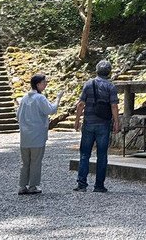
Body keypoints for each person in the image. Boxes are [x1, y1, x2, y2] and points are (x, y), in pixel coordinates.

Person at [73, 59, 120, 192]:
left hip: (88, 123)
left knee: (84, 154)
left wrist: (77, 120)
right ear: (109, 72)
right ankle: (99, 185)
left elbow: (81, 104)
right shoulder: (110, 87)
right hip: (103, 124)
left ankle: (81, 184)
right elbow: (114, 106)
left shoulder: (89, 84)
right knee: (102, 155)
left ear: (97, 71)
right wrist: (117, 122)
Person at [17, 73, 62, 195]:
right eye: (44, 82)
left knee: (25, 162)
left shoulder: (25, 98)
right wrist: (58, 98)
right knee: (36, 161)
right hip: (37, 134)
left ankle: (22, 186)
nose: (46, 84)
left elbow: (18, 115)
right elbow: (51, 110)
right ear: (38, 84)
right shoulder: (40, 98)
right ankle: (32, 186)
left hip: (25, 135)